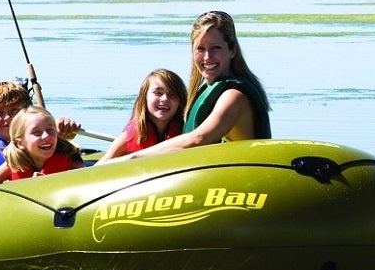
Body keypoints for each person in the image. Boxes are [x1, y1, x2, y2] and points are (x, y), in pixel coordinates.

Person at [100, 11, 270, 163]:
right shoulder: (211, 91)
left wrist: (133, 157)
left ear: (232, 50)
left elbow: (198, 139)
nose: (207, 57)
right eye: (200, 49)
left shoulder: (234, 96)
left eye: (215, 48)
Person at [0, 106, 85, 185]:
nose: (46, 136)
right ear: (20, 143)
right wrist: (24, 186)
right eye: (37, 133)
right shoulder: (14, 164)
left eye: (50, 130)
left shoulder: (68, 159)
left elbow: (91, 179)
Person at [96, 68, 187, 164]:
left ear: (180, 101)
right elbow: (102, 164)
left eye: (172, 94)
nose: (164, 98)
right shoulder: (132, 134)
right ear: (145, 97)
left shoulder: (186, 131)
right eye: (158, 93)